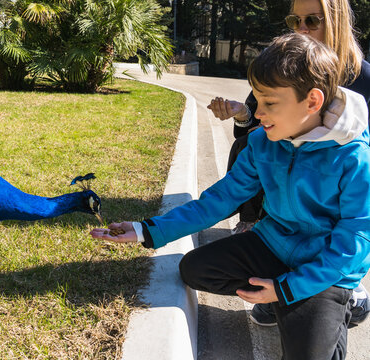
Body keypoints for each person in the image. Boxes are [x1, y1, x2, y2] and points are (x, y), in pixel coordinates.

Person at [91, 33, 370, 360]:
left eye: (269, 103)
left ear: (312, 102)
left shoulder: (355, 159)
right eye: (257, 100)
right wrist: (145, 230)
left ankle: (339, 305)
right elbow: (219, 200)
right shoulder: (262, 143)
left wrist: (286, 289)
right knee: (194, 269)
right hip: (272, 245)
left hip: (322, 270)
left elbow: (355, 240)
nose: (257, 112)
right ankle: (284, 302)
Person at [207, 0, 370, 326]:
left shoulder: (363, 79)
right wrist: (242, 114)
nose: (301, 29)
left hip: (336, 200)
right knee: (248, 146)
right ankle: (263, 247)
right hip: (286, 198)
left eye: (312, 20)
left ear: (336, 21)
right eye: (294, 20)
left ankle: (342, 288)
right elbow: (253, 128)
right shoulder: (284, 65)